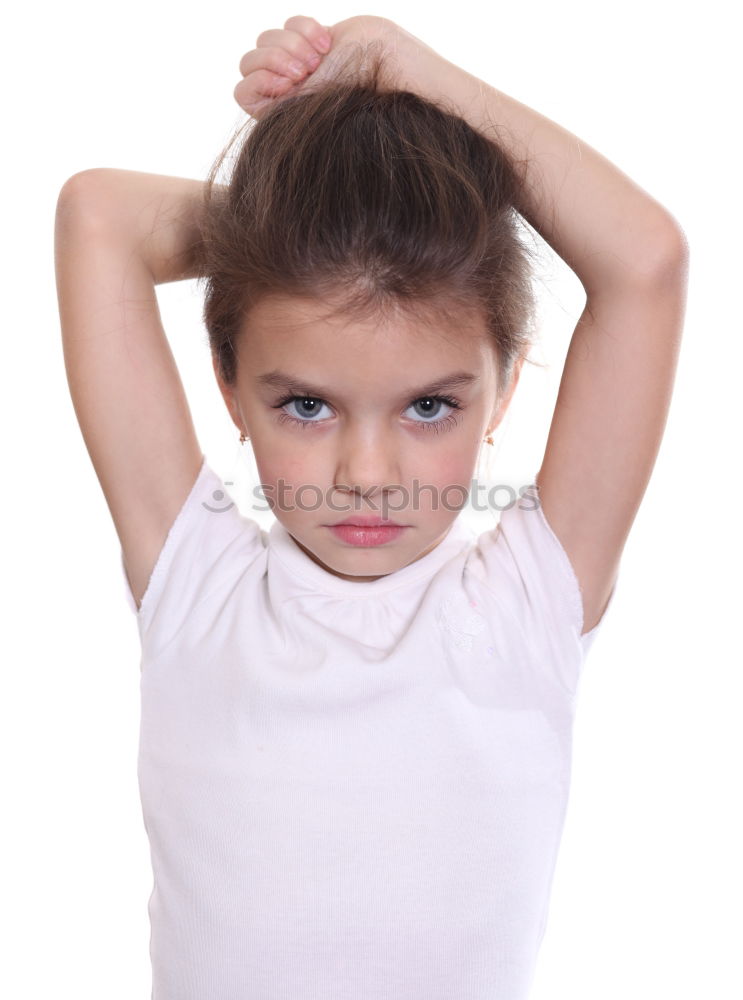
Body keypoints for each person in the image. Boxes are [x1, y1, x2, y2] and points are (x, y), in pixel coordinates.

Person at [54, 14, 688, 1000]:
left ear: (504, 389)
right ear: (228, 386)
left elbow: (642, 263)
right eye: (305, 403)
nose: (364, 471)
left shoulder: (524, 607)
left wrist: (416, 74)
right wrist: (308, 225)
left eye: (428, 405)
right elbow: (97, 218)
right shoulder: (197, 587)